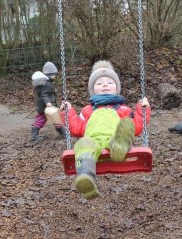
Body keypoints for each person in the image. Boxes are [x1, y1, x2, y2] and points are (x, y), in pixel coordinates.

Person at [60, 60, 151, 200]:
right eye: (99, 83)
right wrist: (68, 111)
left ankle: (119, 147)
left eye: (109, 82)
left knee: (127, 125)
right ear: (92, 90)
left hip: (113, 141)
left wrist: (142, 109)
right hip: (93, 144)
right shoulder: (87, 110)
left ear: (116, 88)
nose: (105, 85)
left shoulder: (124, 110)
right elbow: (76, 128)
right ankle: (86, 177)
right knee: (83, 144)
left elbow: (137, 128)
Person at [31, 61, 65, 141]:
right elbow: (44, 94)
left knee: (56, 118)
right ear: (48, 75)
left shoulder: (47, 83)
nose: (55, 76)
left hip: (47, 106)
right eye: (53, 74)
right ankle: (34, 135)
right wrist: (48, 102)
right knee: (41, 119)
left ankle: (63, 132)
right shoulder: (47, 84)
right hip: (45, 107)